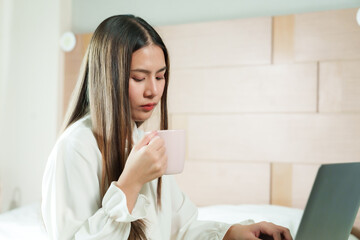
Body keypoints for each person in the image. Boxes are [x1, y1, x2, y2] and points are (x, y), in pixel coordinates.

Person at [41, 14, 292, 240]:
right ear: (108, 78)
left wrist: (232, 233)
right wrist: (130, 184)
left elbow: (179, 229)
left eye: (160, 76)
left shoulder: (140, 140)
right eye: (139, 78)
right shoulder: (76, 148)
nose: (153, 90)